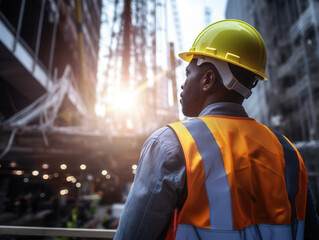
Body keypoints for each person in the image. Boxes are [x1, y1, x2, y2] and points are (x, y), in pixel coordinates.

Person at [114, 20, 319, 239]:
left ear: (208, 79)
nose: (182, 85)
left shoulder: (171, 144)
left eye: (188, 73)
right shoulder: (288, 153)